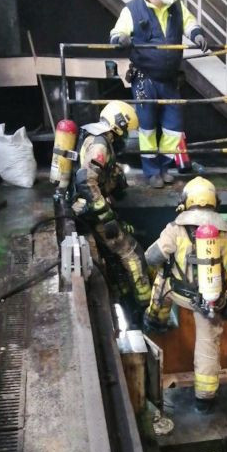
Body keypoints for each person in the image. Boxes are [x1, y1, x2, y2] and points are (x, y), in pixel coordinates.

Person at [143, 177, 227, 413]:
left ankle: (156, 319)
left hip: (178, 294)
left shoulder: (174, 229)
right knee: (207, 345)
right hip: (210, 300)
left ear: (187, 202)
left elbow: (151, 258)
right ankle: (205, 398)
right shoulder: (226, 230)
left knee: (162, 280)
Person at [110, 0, 208, 188]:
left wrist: (197, 34)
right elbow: (116, 33)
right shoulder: (132, 10)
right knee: (147, 128)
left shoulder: (176, 5)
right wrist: (121, 40)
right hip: (145, 79)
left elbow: (189, 22)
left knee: (174, 128)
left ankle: (163, 166)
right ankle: (152, 171)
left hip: (170, 79)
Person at [70, 101, 151, 307]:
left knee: (112, 256)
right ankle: (145, 307)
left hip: (90, 207)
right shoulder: (100, 145)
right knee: (132, 253)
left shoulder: (98, 139)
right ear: (118, 126)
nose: (125, 138)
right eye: (126, 132)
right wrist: (107, 218)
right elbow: (85, 179)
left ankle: (122, 295)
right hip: (94, 211)